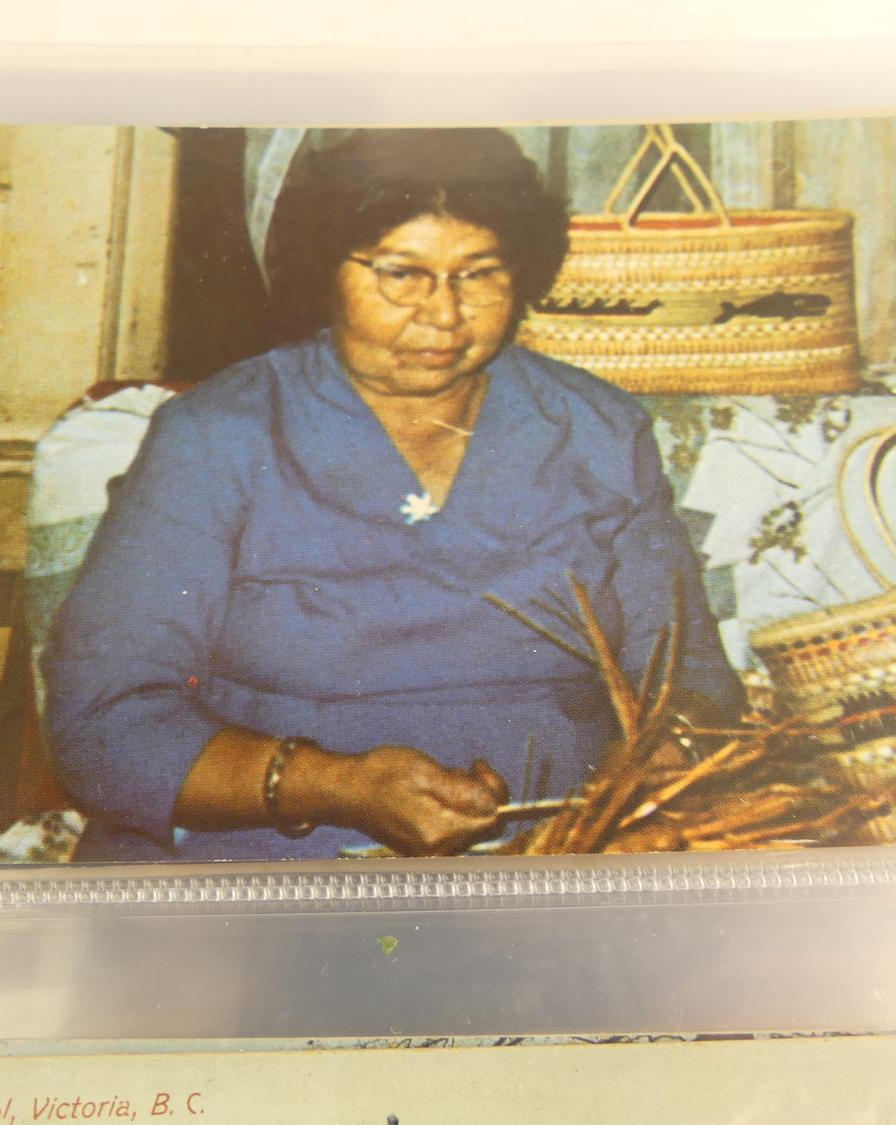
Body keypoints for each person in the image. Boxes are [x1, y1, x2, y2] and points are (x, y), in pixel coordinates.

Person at [43, 128, 743, 862]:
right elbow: (103, 723)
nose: (444, 314)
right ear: (324, 271)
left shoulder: (599, 429)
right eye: (401, 274)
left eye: (480, 273)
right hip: (270, 853)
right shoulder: (218, 435)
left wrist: (665, 757)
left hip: (557, 851)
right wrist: (333, 785)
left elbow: (687, 678)